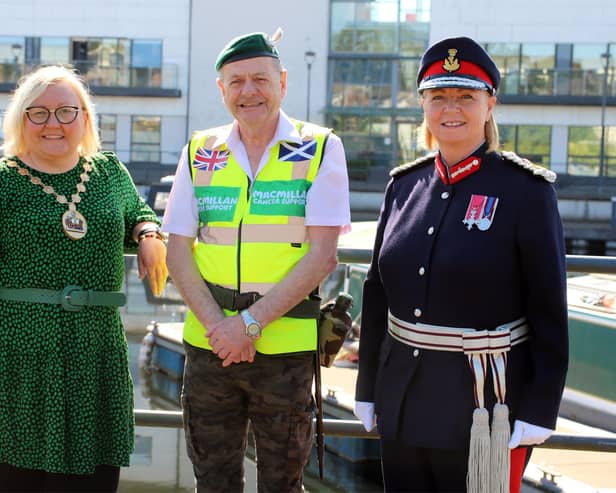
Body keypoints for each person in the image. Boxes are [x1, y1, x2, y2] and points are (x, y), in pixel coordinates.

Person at [354, 36, 569, 493]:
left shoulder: (526, 192)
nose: (451, 108)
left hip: (484, 407)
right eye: (439, 97)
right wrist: (367, 388)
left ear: (490, 103)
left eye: (466, 96)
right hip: (403, 400)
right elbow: (377, 297)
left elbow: (549, 310)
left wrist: (539, 409)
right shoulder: (403, 187)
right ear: (424, 106)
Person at [163, 28, 350, 492]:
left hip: (284, 349)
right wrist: (221, 329)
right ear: (222, 89)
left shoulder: (321, 147)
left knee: (283, 484)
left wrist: (246, 325)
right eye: (237, 81)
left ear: (282, 82)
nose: (249, 91)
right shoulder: (200, 151)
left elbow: (322, 256)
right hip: (210, 348)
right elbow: (177, 251)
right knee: (214, 481)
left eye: (260, 79)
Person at [0, 65, 168, 493]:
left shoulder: (108, 172)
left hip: (96, 354)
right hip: (20, 359)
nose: (52, 123)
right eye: (38, 113)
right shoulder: (3, 179)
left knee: (92, 480)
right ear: (21, 119)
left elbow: (139, 212)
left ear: (85, 118)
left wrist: (149, 234)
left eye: (65, 111)